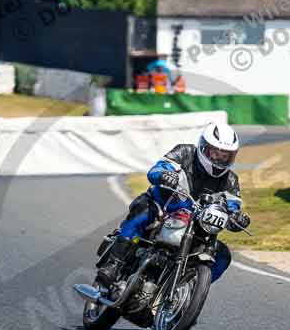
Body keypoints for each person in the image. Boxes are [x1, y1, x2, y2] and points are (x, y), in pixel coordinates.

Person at [97, 121, 250, 286]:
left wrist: (236, 218)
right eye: (215, 153)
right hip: (163, 207)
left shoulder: (230, 180)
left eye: (225, 155)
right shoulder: (184, 152)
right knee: (143, 210)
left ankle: (189, 286)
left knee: (223, 255)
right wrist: (165, 175)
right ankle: (114, 264)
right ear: (204, 147)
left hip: (196, 225)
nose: (219, 159)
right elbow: (157, 169)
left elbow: (232, 206)